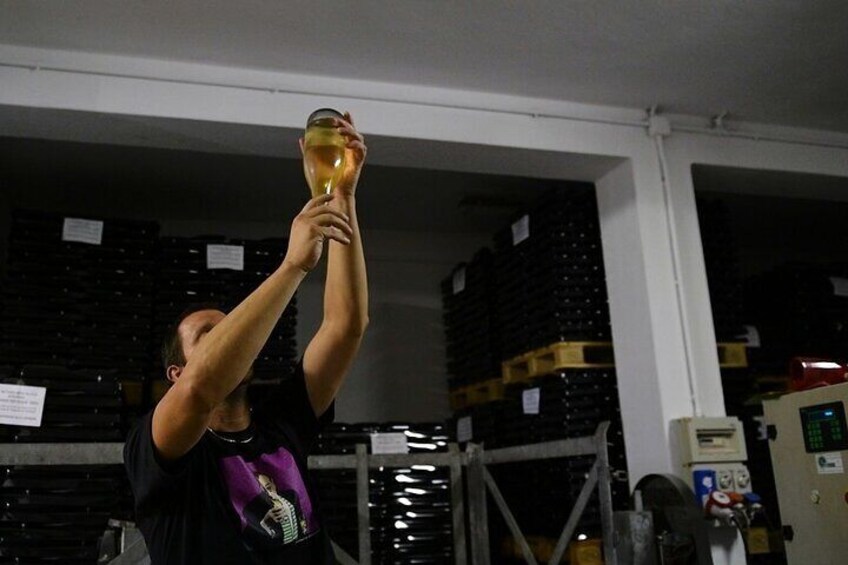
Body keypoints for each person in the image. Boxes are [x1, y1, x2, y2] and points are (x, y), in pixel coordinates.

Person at [124, 113, 368, 564]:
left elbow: (346, 325)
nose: (230, 338)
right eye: (210, 335)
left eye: (232, 328)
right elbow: (200, 389)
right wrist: (292, 266)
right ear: (175, 372)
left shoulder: (281, 422)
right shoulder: (158, 445)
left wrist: (343, 199)